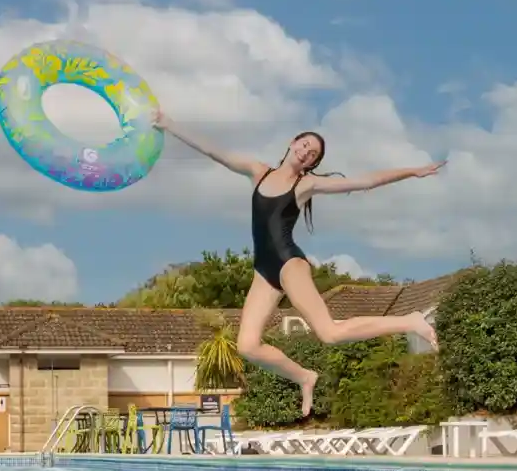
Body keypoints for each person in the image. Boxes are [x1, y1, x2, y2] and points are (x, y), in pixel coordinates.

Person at [152, 109, 445, 416]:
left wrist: (412, 171)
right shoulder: (258, 171)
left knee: (329, 332)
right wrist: (169, 125)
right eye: (305, 144)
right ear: (293, 143)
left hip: (289, 263)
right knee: (248, 346)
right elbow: (214, 151)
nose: (306, 152)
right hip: (263, 271)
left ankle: (411, 321)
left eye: (313, 154)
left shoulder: (306, 186)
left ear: (312, 164)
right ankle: (304, 376)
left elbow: (365, 181)